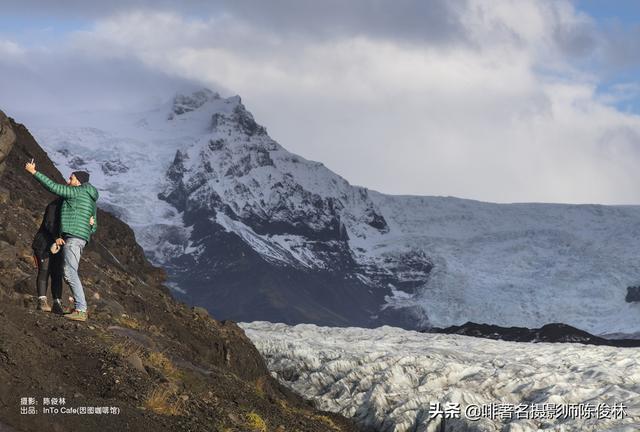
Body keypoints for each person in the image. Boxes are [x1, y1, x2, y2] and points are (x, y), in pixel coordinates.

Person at [25, 160, 98, 322]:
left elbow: (52, 186)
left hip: (71, 239)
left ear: (78, 181)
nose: (68, 181)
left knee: (69, 273)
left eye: (71, 178)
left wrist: (33, 172)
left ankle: (81, 309)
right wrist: (90, 226)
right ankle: (73, 306)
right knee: (65, 272)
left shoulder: (76, 192)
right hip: (78, 240)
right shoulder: (92, 200)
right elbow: (94, 226)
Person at [31, 198, 64, 314]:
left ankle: (57, 303)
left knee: (57, 273)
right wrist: (56, 237)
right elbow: (49, 223)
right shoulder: (54, 205)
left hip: (58, 246)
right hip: (43, 244)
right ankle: (42, 302)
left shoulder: (69, 207)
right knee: (44, 271)